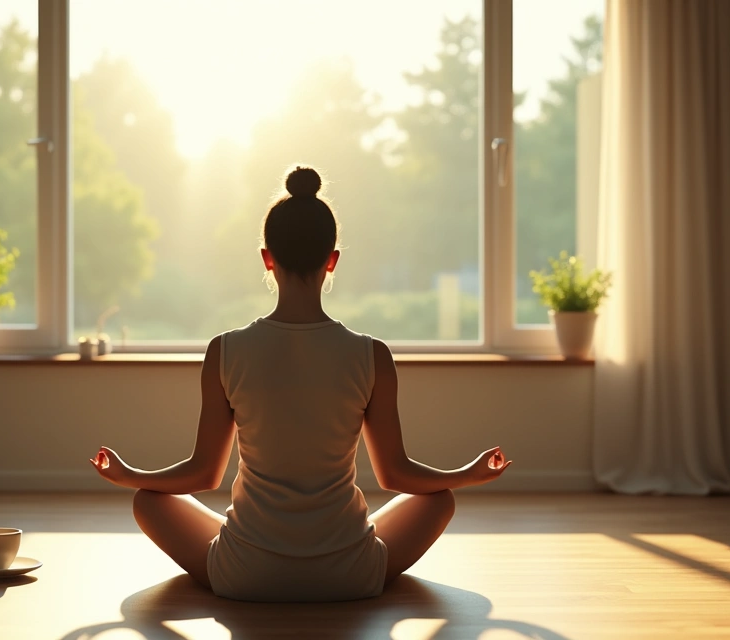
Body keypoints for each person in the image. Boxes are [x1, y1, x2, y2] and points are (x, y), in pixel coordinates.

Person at [90, 165, 513, 602]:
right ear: (333, 261)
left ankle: (255, 548)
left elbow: (204, 474)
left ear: (266, 258)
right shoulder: (372, 355)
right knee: (440, 498)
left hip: (245, 574)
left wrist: (131, 474)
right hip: (350, 573)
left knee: (147, 500)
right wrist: (467, 474)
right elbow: (395, 475)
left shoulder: (225, 350)